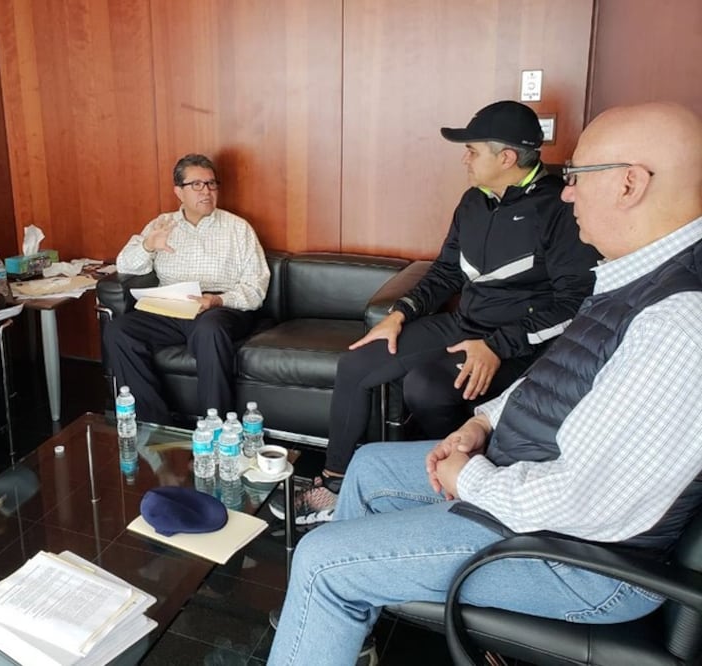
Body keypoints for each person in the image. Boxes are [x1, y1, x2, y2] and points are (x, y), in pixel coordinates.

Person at [267, 101, 702, 666]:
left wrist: (470, 477)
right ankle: (347, 619)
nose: (567, 192)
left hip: (583, 561)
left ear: (629, 184)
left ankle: (336, 592)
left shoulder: (677, 323)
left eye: (576, 175)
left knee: (321, 560)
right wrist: (482, 423)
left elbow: (586, 503)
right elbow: (559, 377)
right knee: (371, 464)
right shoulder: (632, 277)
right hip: (529, 475)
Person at [278, 100, 601, 525]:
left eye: (472, 151)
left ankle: (441, 486)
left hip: (515, 341)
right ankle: (335, 483)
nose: (465, 159)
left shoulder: (559, 208)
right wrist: (401, 313)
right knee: (356, 363)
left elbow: (575, 301)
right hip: (464, 323)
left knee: (427, 387)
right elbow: (446, 271)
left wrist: (498, 345)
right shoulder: (473, 201)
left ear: (506, 158)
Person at [103, 153, 270, 424]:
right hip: (173, 307)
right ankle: (154, 425)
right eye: (197, 185)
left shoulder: (238, 229)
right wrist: (148, 246)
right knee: (118, 330)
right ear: (178, 192)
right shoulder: (162, 225)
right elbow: (125, 265)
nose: (206, 191)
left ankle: (216, 427)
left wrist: (216, 300)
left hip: (219, 309)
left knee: (209, 330)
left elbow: (256, 287)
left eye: (211, 184)